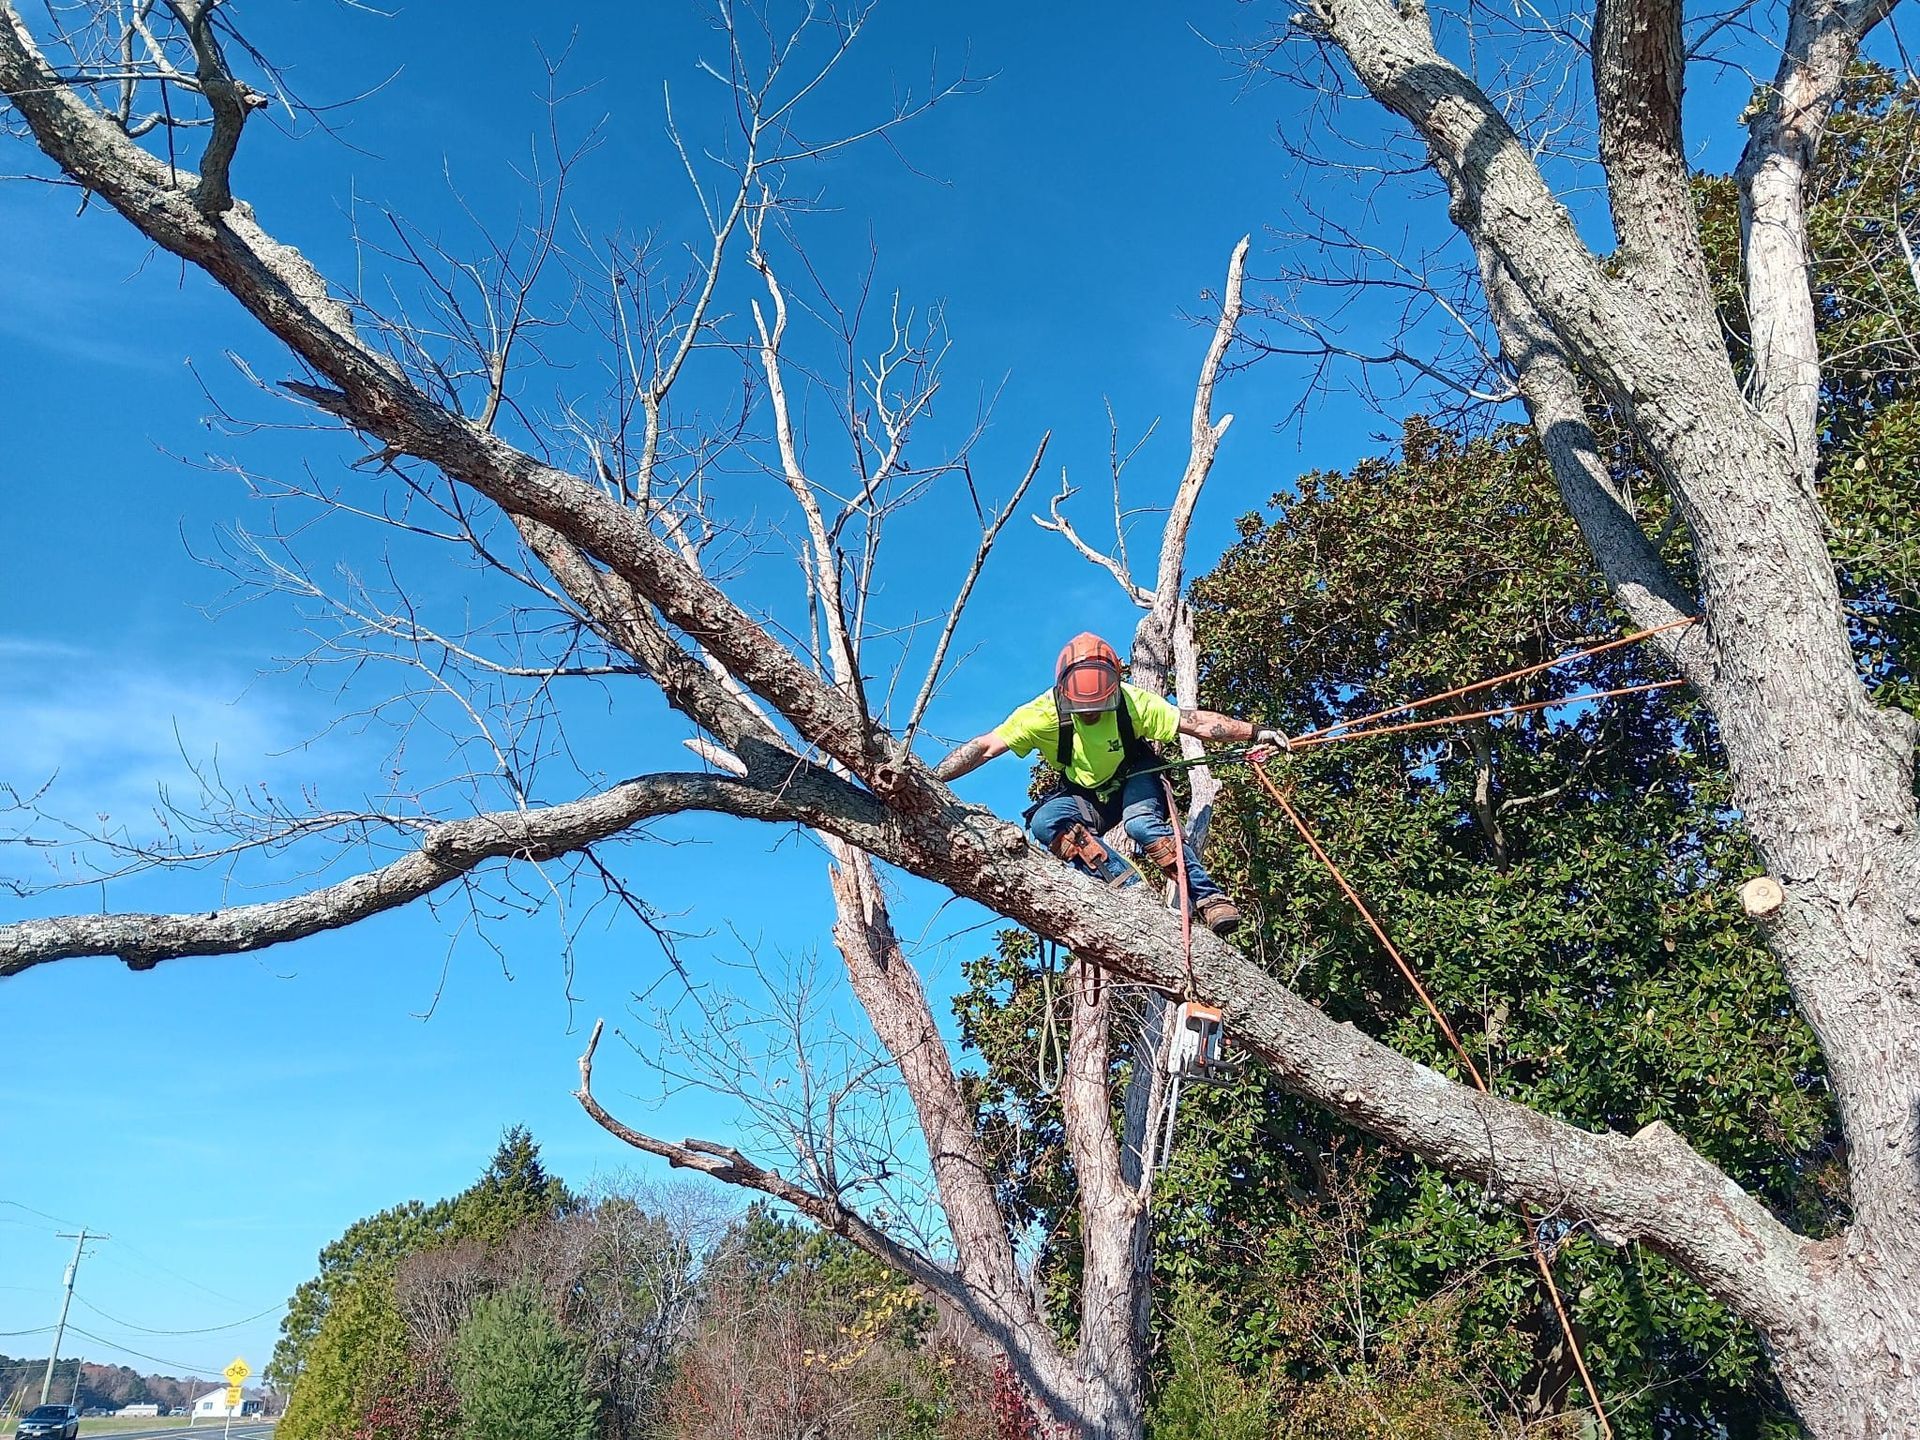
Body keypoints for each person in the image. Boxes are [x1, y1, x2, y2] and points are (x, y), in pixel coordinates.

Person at [933, 632, 1286, 935]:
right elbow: (985, 748)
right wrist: (929, 778)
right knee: (1045, 822)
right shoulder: (1038, 715)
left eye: (1099, 707)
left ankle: (1208, 897)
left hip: (1135, 775)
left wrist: (1257, 731)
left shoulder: (1133, 702)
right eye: (1082, 709)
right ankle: (1126, 889)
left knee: (1142, 826)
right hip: (1085, 793)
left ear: (1115, 687)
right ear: (1063, 692)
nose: (1091, 714)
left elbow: (1194, 723)